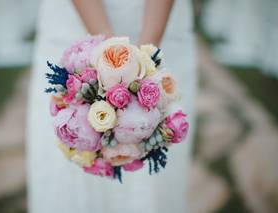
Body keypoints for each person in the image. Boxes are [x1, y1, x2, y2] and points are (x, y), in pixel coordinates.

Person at [27, 0, 197, 212]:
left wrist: (146, 60)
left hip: (161, 20)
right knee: (66, 173)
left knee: (155, 186)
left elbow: (150, 52)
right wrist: (109, 56)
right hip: (73, 22)